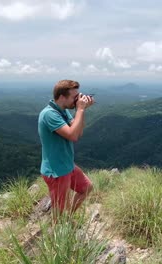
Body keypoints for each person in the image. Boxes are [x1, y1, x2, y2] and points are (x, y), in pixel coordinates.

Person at [38, 79, 94, 222]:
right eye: (74, 97)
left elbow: (78, 132)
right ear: (62, 97)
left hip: (67, 165)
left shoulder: (63, 111)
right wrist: (80, 109)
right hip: (56, 171)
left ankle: (67, 219)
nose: (77, 100)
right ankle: (58, 232)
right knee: (59, 211)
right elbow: (73, 136)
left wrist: (81, 111)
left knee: (86, 188)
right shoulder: (49, 114)